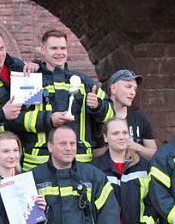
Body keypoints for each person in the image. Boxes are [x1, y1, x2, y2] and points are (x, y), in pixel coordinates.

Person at [22, 30, 113, 170]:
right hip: (40, 162)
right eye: (54, 48)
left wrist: (98, 106)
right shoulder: (32, 81)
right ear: (43, 50)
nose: (59, 52)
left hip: (80, 162)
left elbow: (110, 113)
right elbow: (16, 120)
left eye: (63, 48)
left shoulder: (83, 82)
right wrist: (48, 119)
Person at [94, 70, 157, 161]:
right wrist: (115, 146)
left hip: (136, 172)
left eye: (135, 89)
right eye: (128, 87)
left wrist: (136, 147)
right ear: (113, 89)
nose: (133, 92)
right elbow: (89, 154)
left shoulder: (140, 118)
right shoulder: (97, 118)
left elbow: (155, 155)